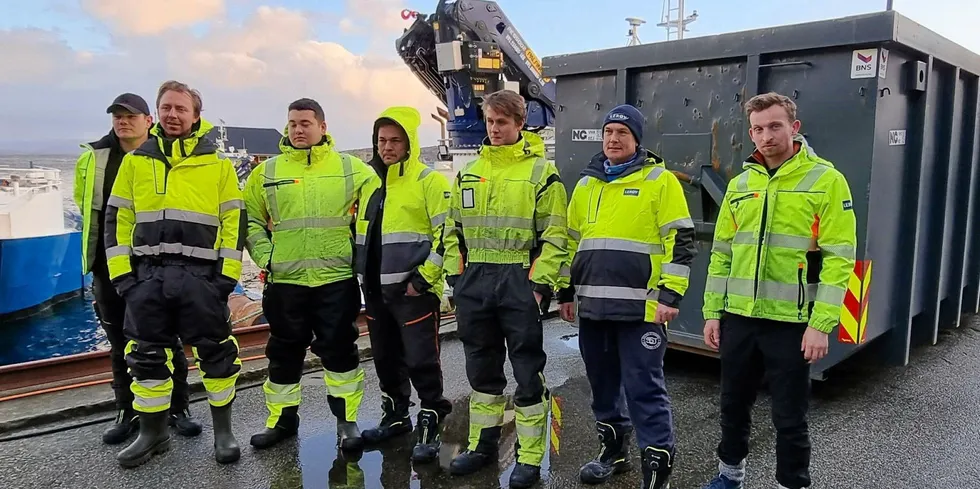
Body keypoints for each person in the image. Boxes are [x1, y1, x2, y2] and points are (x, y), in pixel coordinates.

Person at [700, 92, 857, 489]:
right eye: (757, 128)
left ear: (794, 128)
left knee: (789, 415)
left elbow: (841, 258)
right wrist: (712, 312)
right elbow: (721, 254)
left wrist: (821, 324)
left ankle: (793, 483)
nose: (766, 136)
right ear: (750, 133)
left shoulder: (826, 180)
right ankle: (729, 476)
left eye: (774, 126)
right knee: (733, 405)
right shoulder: (740, 184)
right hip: (739, 318)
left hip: (791, 323)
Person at [104, 80, 246, 467]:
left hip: (200, 277)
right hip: (147, 277)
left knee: (217, 355)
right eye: (166, 107)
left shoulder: (217, 166)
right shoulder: (135, 162)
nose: (172, 115)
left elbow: (234, 223)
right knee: (146, 358)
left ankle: (224, 432)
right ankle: (153, 434)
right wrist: (123, 278)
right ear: (156, 113)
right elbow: (118, 220)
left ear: (196, 116)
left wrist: (223, 280)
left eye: (181, 109)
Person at [558, 104, 696, 489]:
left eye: (622, 133)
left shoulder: (659, 180)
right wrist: (565, 291)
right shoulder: (586, 185)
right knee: (602, 386)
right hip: (593, 309)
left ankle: (656, 470)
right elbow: (571, 244)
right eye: (608, 133)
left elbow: (680, 240)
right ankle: (613, 454)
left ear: (636, 140)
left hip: (643, 310)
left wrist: (670, 295)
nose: (613, 139)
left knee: (643, 387)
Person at [442, 89, 570, 488]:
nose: (495, 129)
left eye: (502, 122)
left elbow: (556, 236)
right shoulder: (469, 171)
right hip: (475, 282)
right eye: (490, 121)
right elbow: (452, 230)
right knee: (481, 370)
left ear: (519, 124)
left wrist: (536, 286)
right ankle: (484, 445)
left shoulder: (541, 173)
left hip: (518, 280)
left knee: (527, 371)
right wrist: (454, 278)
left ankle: (529, 458)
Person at [244, 98, 381, 453]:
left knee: (340, 353)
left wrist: (360, 256)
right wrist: (266, 256)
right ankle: (282, 422)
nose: (298, 130)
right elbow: (251, 221)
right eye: (292, 123)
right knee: (283, 353)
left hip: (335, 281)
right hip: (285, 283)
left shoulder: (352, 169)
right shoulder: (266, 172)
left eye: (305, 123)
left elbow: (379, 210)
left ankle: (346, 422)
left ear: (323, 126)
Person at [73, 93, 201, 445]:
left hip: (154, 266)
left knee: (167, 340)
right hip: (108, 264)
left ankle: (178, 408)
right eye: (117, 115)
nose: (122, 121)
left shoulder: (161, 157)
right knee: (120, 343)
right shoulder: (93, 159)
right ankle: (127, 410)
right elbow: (89, 210)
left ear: (148, 120)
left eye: (130, 116)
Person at [355, 106, 452, 462]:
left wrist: (424, 279)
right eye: (382, 140)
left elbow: (448, 235)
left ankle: (431, 419)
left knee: (421, 359)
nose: (387, 147)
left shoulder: (430, 182)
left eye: (395, 140)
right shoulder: (371, 186)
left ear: (409, 143)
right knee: (385, 358)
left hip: (414, 293)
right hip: (377, 292)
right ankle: (396, 415)